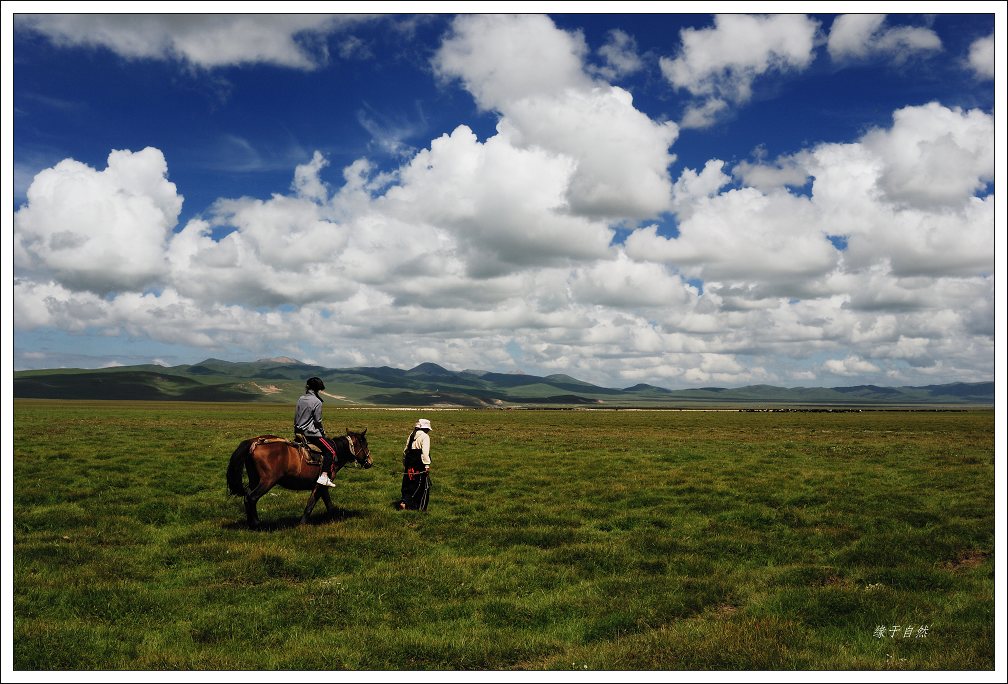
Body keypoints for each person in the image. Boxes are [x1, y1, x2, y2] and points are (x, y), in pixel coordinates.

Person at [294, 376, 339, 487]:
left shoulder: (301, 399)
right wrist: (322, 432)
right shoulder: (317, 402)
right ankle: (324, 476)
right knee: (331, 451)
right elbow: (317, 421)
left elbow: (297, 415)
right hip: (311, 434)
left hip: (299, 432)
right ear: (318, 389)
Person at [398, 418, 432, 511]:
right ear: (425, 429)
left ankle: (404, 502)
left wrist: (405, 462)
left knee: (408, 483)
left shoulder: (411, 435)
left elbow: (405, 450)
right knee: (420, 485)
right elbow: (425, 452)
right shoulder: (425, 437)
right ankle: (414, 506)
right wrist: (427, 465)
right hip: (419, 463)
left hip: (409, 462)